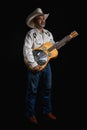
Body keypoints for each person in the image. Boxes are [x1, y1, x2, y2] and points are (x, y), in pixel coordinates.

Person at [23, 8, 56, 124]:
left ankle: (47, 111)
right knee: (32, 90)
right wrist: (33, 64)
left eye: (43, 18)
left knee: (47, 89)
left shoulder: (48, 33)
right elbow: (27, 50)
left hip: (47, 66)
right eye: (40, 18)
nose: (42, 20)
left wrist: (60, 44)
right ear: (35, 20)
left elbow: (52, 48)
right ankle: (30, 114)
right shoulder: (31, 34)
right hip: (35, 66)